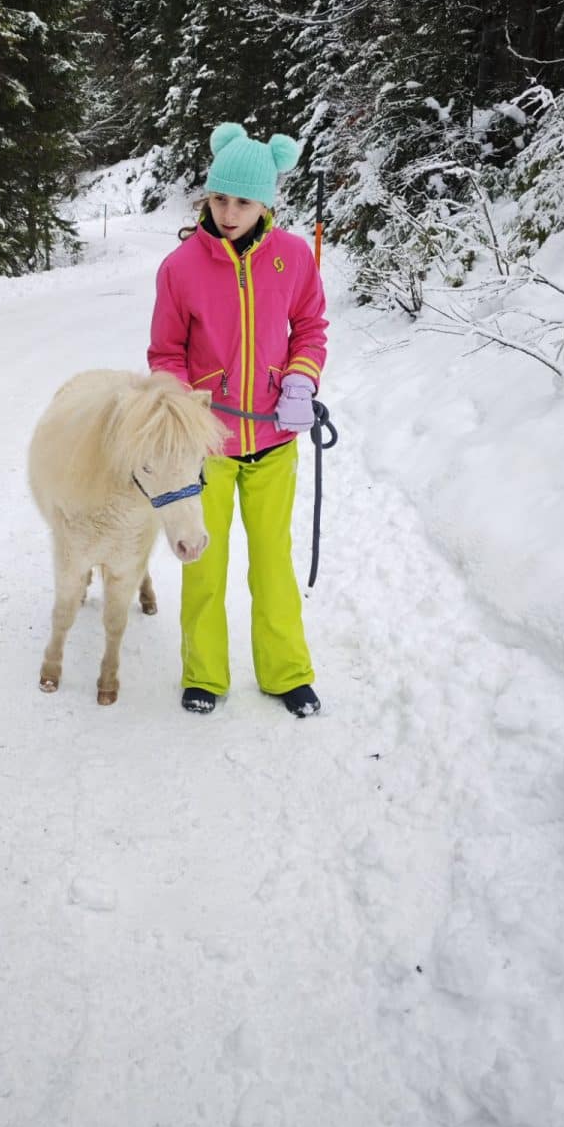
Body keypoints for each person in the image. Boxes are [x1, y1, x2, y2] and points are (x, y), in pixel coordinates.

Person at [147, 122, 328, 717]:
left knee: (273, 564)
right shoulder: (181, 268)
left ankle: (286, 672)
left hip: (274, 442)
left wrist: (301, 379)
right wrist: (182, 404)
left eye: (243, 202)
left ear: (266, 203)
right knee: (205, 562)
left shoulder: (295, 258)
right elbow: (165, 353)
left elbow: (311, 328)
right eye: (219, 198)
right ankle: (205, 674)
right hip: (209, 449)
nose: (228, 212)